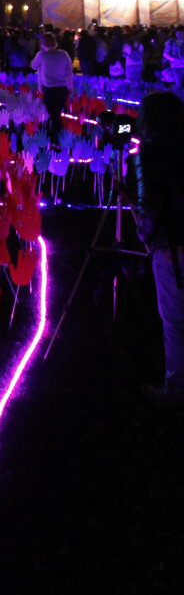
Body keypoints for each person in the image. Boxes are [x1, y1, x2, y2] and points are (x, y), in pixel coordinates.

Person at [131, 90, 184, 405]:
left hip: (171, 248)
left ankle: (175, 390)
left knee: (175, 323)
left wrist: (145, 235)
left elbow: (149, 203)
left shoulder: (148, 155)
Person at [31, 31, 73, 145]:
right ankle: (58, 138)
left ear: (42, 44)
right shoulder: (63, 54)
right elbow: (69, 72)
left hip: (49, 89)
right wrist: (70, 88)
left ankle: (57, 139)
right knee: (56, 113)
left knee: (54, 115)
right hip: (62, 88)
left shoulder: (41, 55)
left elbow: (33, 65)